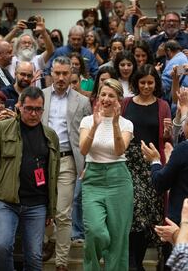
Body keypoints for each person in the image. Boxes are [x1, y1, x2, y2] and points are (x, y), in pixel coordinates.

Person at [0, 87, 60, 271]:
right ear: (19, 106)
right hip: (6, 201)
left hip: (37, 203)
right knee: (2, 246)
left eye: (38, 109)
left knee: (34, 256)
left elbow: (53, 175)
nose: (33, 113)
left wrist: (51, 210)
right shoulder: (3, 128)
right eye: (29, 108)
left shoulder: (50, 135)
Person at [41, 56, 91, 271]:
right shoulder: (40, 97)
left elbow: (88, 133)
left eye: (65, 73)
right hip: (41, 160)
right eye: (57, 73)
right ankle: (45, 243)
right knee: (40, 208)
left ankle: (61, 263)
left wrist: (86, 162)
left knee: (63, 212)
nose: (61, 78)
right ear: (51, 73)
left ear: (72, 74)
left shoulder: (82, 101)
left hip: (68, 159)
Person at [79, 78, 134, 271]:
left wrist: (116, 123)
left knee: (119, 238)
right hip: (93, 178)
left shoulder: (127, 124)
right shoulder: (87, 120)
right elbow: (84, 150)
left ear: (119, 99)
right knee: (95, 232)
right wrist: (95, 125)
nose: (106, 98)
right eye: (103, 94)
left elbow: (120, 151)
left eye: (111, 95)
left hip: (119, 179)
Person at [121, 64, 171, 270]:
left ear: (156, 84)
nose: (146, 86)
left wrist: (168, 134)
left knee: (146, 216)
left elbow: (167, 138)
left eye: (150, 82)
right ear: (136, 83)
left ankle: (137, 261)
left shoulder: (162, 106)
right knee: (133, 212)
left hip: (151, 161)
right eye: (142, 82)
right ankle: (133, 262)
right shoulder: (125, 103)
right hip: (128, 163)